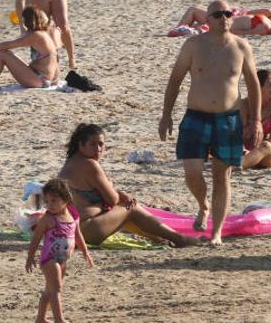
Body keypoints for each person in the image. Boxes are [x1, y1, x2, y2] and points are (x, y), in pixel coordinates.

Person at [159, 0, 263, 246]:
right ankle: (202, 204)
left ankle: (216, 232)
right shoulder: (194, 45)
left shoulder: (241, 47)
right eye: (217, 15)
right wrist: (166, 115)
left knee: (222, 176)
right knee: (192, 172)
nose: (223, 18)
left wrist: (256, 120)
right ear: (207, 20)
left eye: (228, 14)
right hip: (196, 115)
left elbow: (253, 85)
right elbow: (175, 80)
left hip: (228, 119)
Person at [58, 123, 203, 246]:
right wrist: (120, 194)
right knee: (130, 207)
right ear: (80, 145)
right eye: (93, 144)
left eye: (101, 144)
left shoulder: (71, 163)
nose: (98, 149)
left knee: (123, 209)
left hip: (69, 232)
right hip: (86, 231)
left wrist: (118, 195)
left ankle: (158, 238)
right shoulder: (90, 165)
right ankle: (179, 239)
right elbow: (112, 200)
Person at [25, 178, 93, 323]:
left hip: (62, 259)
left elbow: (78, 234)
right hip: (49, 259)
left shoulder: (73, 215)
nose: (49, 205)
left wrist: (85, 252)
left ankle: (40, 319)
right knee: (56, 289)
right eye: (47, 201)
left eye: (54, 200)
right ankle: (59, 320)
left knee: (49, 290)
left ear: (66, 198)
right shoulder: (48, 219)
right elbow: (36, 239)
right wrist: (30, 257)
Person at [0, 5, 60, 94]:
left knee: (3, 54)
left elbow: (9, 45)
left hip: (40, 80)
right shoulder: (42, 34)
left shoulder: (36, 36)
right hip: (42, 77)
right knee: (4, 53)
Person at [242, 70, 271, 169]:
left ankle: (238, 165)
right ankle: (244, 162)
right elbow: (243, 135)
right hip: (244, 150)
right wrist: (260, 118)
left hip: (266, 154)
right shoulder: (244, 104)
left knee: (267, 145)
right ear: (259, 87)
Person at [173, 5, 271, 36]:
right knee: (195, 13)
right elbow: (248, 13)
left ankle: (178, 29)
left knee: (193, 11)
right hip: (228, 17)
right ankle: (182, 28)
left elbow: (244, 33)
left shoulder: (265, 28)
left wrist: (225, 30)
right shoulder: (270, 16)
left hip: (224, 22)